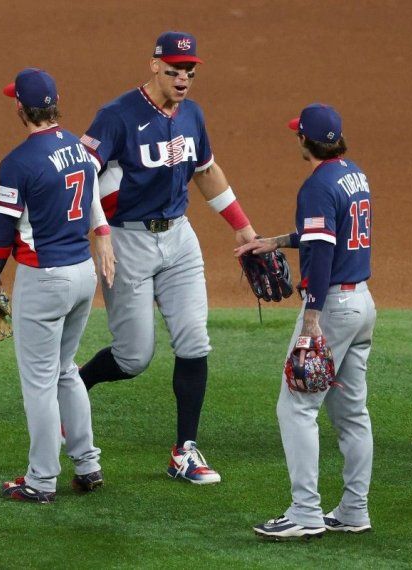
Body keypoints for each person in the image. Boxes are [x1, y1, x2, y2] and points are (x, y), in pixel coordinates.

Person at [78, 31, 256, 484]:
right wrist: (98, 232)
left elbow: (207, 171)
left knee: (195, 340)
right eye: (174, 70)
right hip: (127, 242)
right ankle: (77, 384)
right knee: (134, 357)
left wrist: (243, 227)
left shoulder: (192, 114)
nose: (182, 80)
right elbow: (79, 176)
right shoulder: (116, 117)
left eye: (189, 73)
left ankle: (185, 451)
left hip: (179, 238)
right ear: (154, 65)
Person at [241, 104, 377, 540]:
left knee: (296, 408)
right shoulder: (353, 174)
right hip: (363, 304)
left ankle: (305, 513)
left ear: (305, 140)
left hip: (332, 306)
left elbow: (320, 253)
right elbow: (325, 233)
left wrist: (311, 320)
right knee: (352, 413)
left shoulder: (317, 185)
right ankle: (354, 510)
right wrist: (276, 242)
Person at [0, 68, 116, 503]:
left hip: (44, 279)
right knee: (65, 371)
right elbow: (95, 203)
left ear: (20, 107)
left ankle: (41, 480)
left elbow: (3, 231)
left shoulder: (19, 161)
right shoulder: (79, 150)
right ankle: (88, 464)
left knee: (39, 382)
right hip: (82, 274)